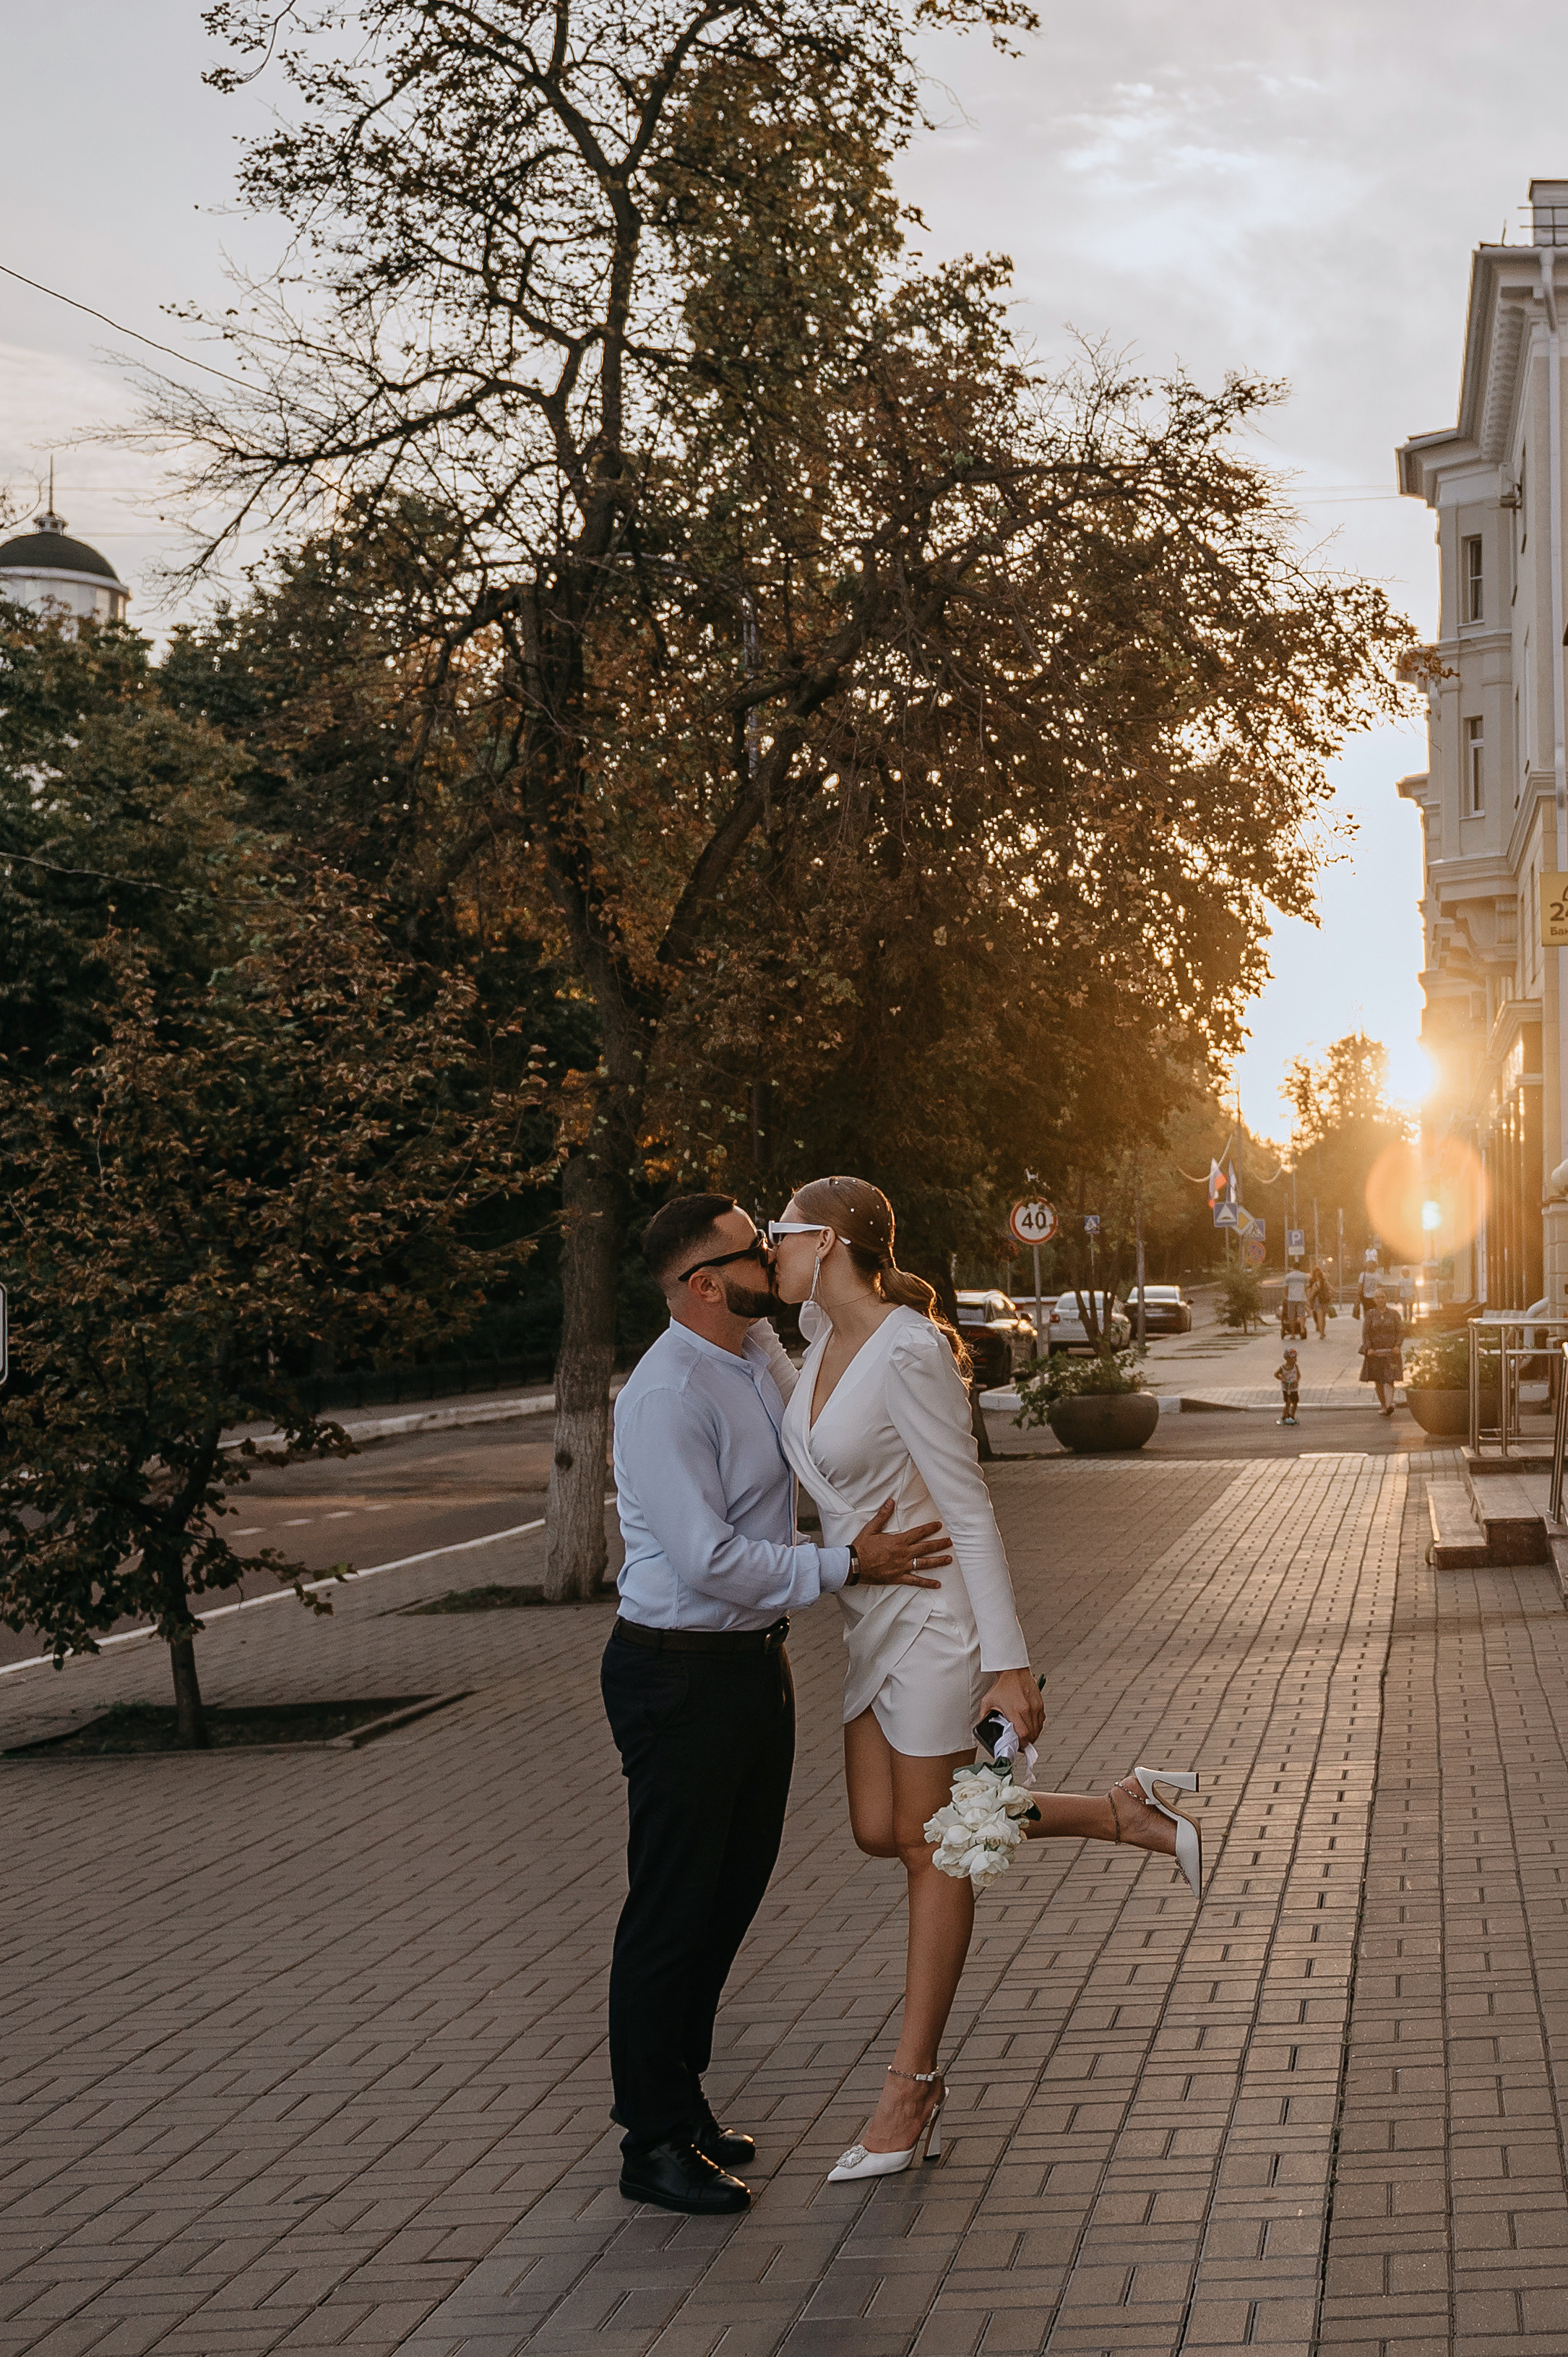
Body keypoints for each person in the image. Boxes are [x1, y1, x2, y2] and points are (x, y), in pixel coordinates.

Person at [771, 1175, 1204, 2186]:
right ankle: (1118, 1810)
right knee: (881, 1829)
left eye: (782, 1230)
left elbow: (967, 1510)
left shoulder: (908, 1348)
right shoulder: (810, 1339)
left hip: (932, 1620)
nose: (769, 1244)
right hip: (866, 1612)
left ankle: (909, 2086)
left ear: (829, 1241)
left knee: (933, 1851)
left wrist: (1006, 1661)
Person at [604, 1194, 952, 2218]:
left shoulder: (756, 1346)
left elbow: (842, 1407)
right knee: (672, 1906)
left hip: (750, 1663)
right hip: (675, 1671)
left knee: (729, 1893)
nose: (769, 1251)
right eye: (749, 1246)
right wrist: (846, 1562)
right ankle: (651, 2137)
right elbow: (709, 1561)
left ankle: (686, 2100)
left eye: (769, 1233)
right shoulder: (665, 1395)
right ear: (701, 1284)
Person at [1359, 1286, 1404, 1415]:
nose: (1380, 1299)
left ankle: (1389, 1405)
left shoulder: (1394, 1314)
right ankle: (1383, 1405)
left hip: (1391, 1353)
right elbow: (1366, 1333)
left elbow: (1401, 1331)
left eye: (1382, 1297)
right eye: (1377, 1297)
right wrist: (1369, 1348)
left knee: (1389, 1379)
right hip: (1375, 1354)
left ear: (1387, 1299)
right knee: (1379, 1380)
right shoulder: (1371, 1315)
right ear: (1374, 1299)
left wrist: (1397, 1346)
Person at [1275, 1344, 1301, 1426]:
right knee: (1288, 1402)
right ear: (1287, 1359)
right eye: (1293, 1358)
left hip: (1294, 1388)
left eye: (1295, 1358)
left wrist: (1296, 1381)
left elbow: (1299, 1375)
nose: (1295, 1360)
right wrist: (1282, 1378)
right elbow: (1276, 1374)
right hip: (1286, 1387)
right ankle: (1284, 1416)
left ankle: (1292, 1416)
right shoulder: (1282, 1367)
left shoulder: (1295, 1367)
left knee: (1295, 1401)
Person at [1306, 1263, 1332, 1339]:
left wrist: (1310, 1301)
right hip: (1325, 1301)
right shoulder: (1325, 1282)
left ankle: (1321, 1333)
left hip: (1317, 1301)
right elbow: (1334, 1291)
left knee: (1320, 1317)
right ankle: (1323, 1331)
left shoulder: (1314, 1283)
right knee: (1323, 1317)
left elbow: (1311, 1295)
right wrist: (1329, 1296)